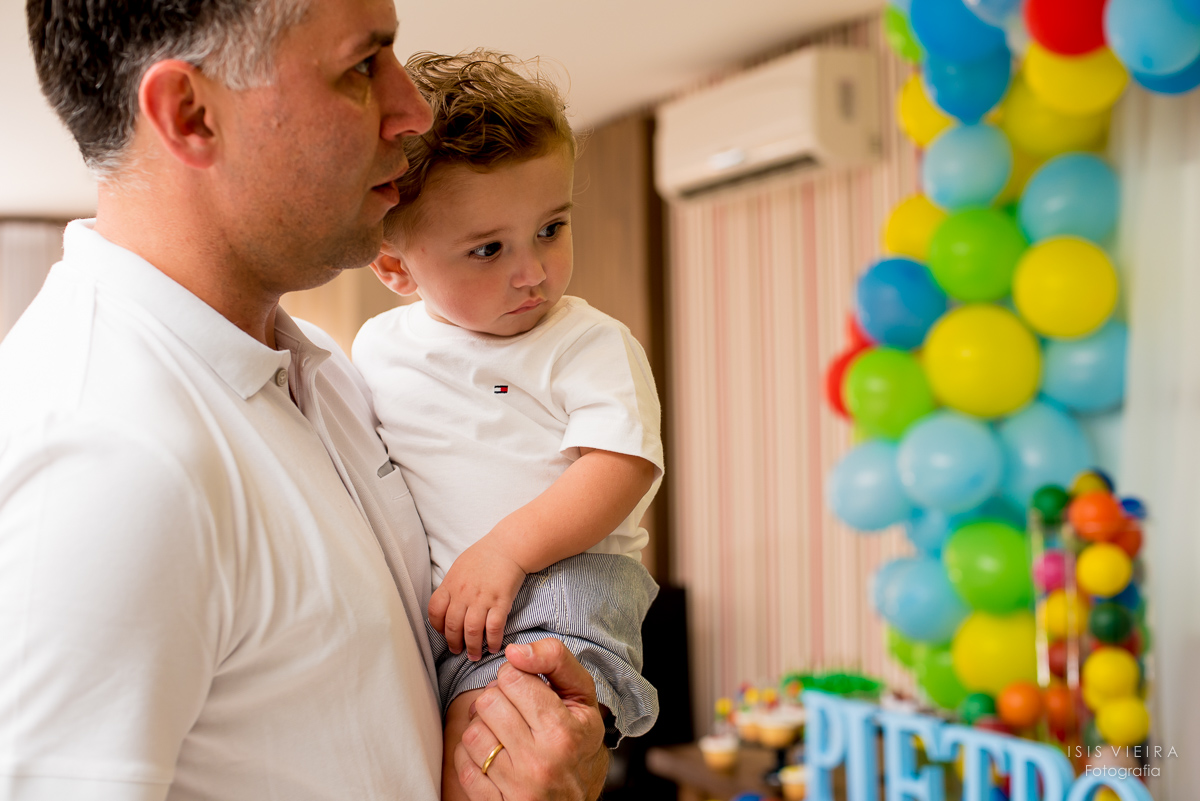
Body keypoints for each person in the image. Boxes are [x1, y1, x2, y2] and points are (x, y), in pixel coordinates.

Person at [1, 1, 608, 799]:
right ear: (191, 114)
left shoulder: (325, 375)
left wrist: (513, 757)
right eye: (362, 66)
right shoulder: (102, 459)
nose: (413, 111)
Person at [350, 52, 663, 801]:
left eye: (551, 228)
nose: (533, 272)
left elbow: (621, 465)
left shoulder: (586, 342)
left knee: (490, 748)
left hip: (560, 586)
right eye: (489, 249)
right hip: (457, 608)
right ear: (395, 269)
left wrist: (507, 550)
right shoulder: (376, 350)